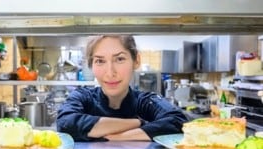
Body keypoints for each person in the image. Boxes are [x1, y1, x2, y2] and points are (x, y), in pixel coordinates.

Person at [56, 35, 188, 141]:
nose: (110, 73)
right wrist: (138, 123)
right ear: (91, 66)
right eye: (100, 61)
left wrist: (121, 137)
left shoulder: (145, 101)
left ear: (136, 61)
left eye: (119, 59)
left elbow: (178, 121)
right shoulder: (83, 96)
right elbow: (65, 123)